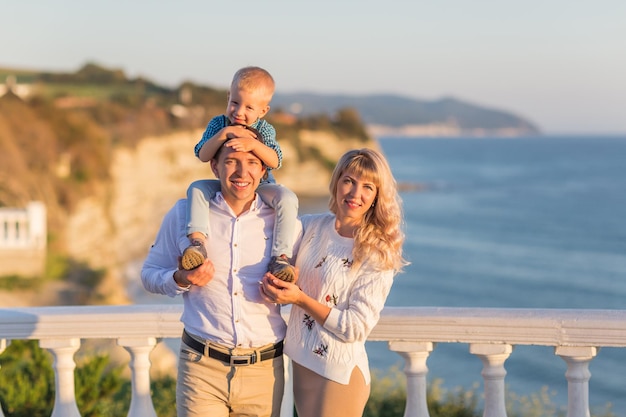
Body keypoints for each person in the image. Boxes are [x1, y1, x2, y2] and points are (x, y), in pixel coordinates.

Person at [141, 136, 295, 417]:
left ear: (263, 171)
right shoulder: (183, 214)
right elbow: (149, 274)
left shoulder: (285, 224)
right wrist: (181, 278)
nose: (241, 172)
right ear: (215, 166)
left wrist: (284, 292)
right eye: (231, 161)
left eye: (251, 162)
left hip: (264, 371)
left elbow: (306, 284)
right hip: (201, 368)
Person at [259, 148, 408, 417]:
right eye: (349, 180)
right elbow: (269, 219)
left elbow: (355, 327)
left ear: (376, 196)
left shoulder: (375, 251)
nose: (355, 193)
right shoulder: (311, 226)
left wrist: (299, 299)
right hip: (303, 366)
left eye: (367, 187)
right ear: (336, 182)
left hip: (339, 376)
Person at [182, 66, 298, 283]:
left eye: (249, 107)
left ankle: (280, 257)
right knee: (196, 188)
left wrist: (251, 144)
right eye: (235, 103)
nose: (239, 112)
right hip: (226, 183)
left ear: (263, 111)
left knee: (287, 198)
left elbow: (275, 160)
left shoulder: (264, 130)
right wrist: (224, 134)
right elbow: (203, 154)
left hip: (260, 185)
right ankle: (197, 244)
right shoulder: (219, 124)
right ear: (228, 97)